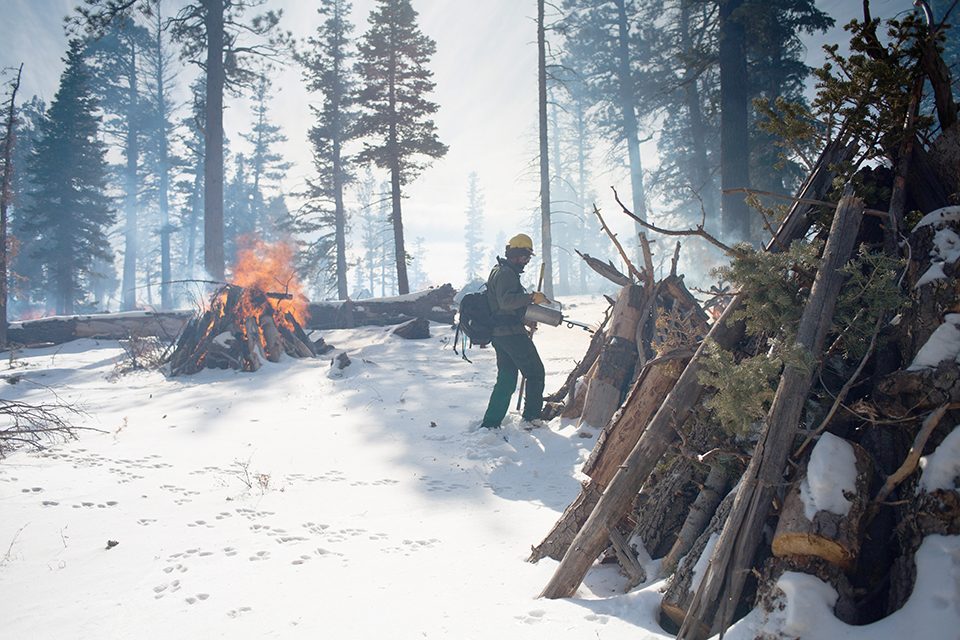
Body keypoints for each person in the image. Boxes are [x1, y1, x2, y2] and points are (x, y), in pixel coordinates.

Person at [480, 233, 549, 429]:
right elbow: (506, 301)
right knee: (535, 373)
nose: (526, 262)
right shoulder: (506, 274)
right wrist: (531, 297)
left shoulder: (500, 271)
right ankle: (532, 417)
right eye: (526, 257)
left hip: (501, 334)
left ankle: (491, 422)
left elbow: (503, 306)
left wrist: (527, 320)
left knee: (507, 378)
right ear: (517, 254)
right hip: (511, 334)